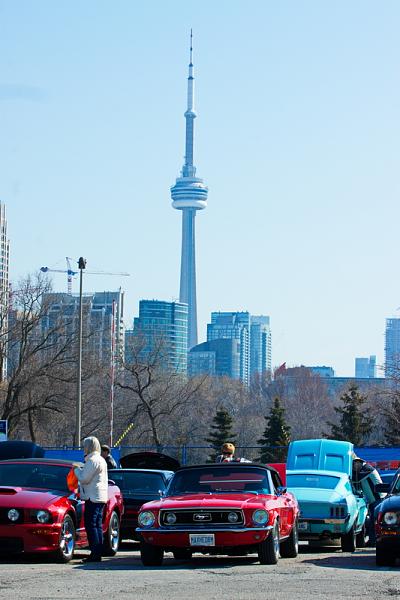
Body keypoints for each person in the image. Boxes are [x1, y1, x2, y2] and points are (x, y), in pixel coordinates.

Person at [74, 436, 108, 562]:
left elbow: (84, 478)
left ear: (88, 447)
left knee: (91, 525)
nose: (84, 448)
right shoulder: (101, 460)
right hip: (100, 496)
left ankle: (95, 553)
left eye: (85, 446)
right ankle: (98, 552)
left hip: (92, 497)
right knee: (97, 525)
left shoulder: (92, 460)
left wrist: (76, 469)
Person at [352, 454, 384, 547]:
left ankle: (374, 541)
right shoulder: (363, 470)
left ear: (360, 462)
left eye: (355, 464)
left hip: (379, 499)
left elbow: (355, 479)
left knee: (375, 522)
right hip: (373, 501)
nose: (354, 466)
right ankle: (373, 540)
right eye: (353, 464)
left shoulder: (367, 469)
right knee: (372, 522)